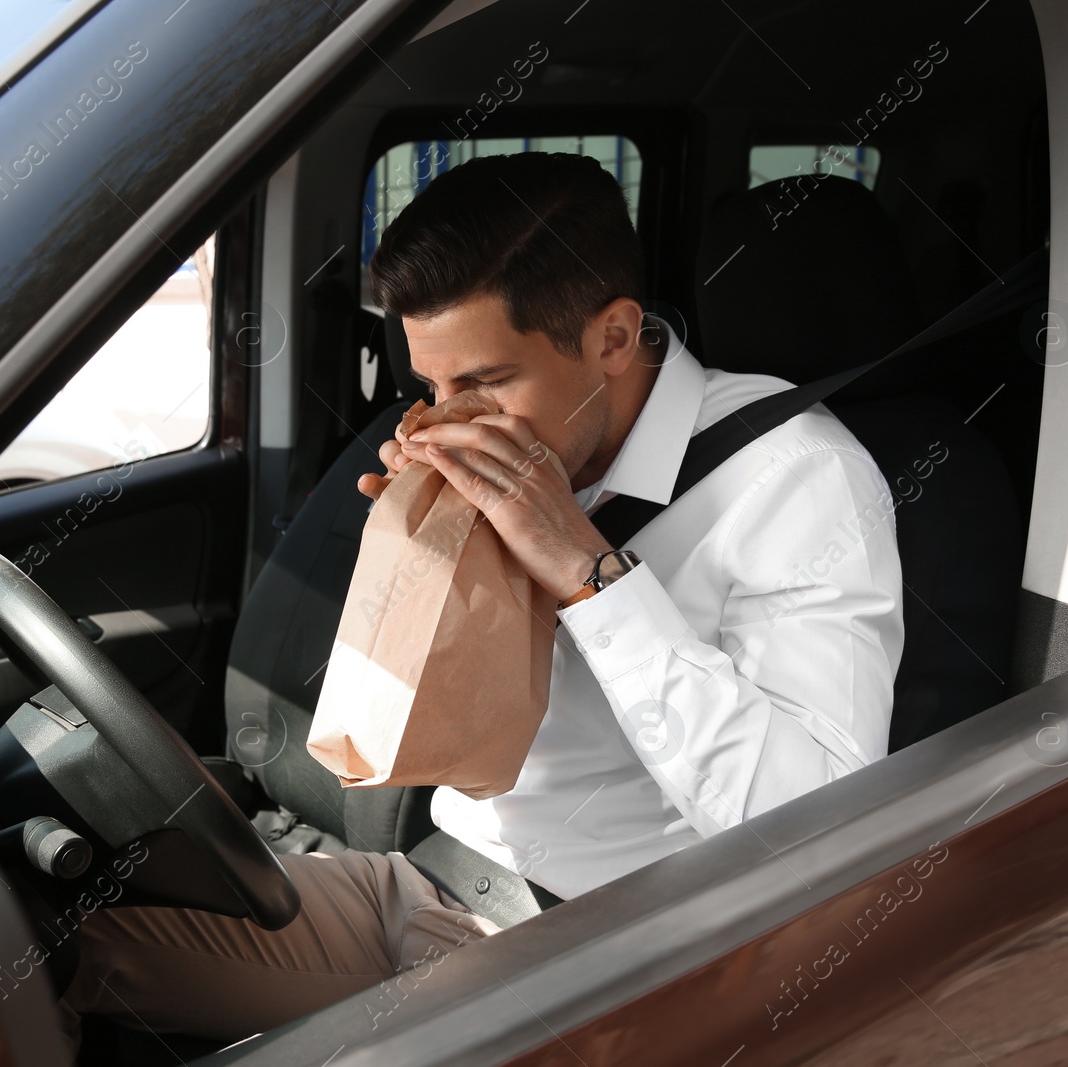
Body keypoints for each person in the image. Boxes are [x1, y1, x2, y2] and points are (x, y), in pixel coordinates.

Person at [57, 152, 902, 1050]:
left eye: (484, 385)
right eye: (431, 386)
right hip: (425, 884)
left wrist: (591, 575)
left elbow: (818, 827)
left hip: (597, 950)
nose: (447, 417)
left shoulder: (797, 478)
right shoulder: (523, 442)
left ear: (613, 339)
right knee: (44, 954)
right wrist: (422, 560)